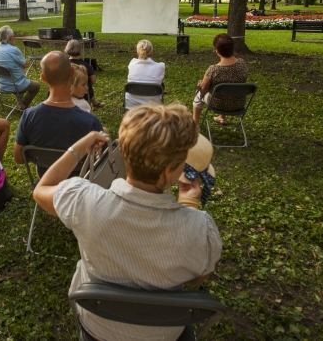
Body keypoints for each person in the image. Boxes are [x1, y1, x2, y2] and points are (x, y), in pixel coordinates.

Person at [33, 104, 222, 340]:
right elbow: (196, 278)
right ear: (169, 171)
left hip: (97, 328)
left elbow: (41, 190)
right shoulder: (200, 227)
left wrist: (80, 147)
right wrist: (189, 205)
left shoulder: (83, 200)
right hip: (164, 333)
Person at [13, 51, 103, 175]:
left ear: (44, 78)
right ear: (72, 73)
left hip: (45, 182)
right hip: (79, 185)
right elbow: (100, 160)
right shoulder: (90, 122)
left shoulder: (29, 116)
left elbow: (19, 158)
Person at [191, 33, 249, 125]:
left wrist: (201, 83)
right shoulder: (242, 64)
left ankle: (195, 124)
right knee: (227, 88)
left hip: (217, 104)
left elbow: (203, 88)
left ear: (217, 50)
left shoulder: (213, 70)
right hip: (238, 103)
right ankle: (222, 117)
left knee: (198, 95)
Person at [0, 25, 40, 110]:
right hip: (15, 84)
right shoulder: (14, 50)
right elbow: (26, 65)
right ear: (10, 38)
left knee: (15, 77)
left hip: (1, 83)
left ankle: (20, 104)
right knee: (36, 85)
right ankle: (24, 105)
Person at [125, 39, 165, 110]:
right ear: (152, 51)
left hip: (132, 104)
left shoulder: (132, 64)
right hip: (154, 106)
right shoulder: (160, 66)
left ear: (138, 51)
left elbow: (128, 81)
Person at [65, 39, 101, 110]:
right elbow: (93, 80)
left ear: (67, 49)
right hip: (84, 95)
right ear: (80, 49)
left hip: (66, 94)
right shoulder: (85, 65)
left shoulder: (63, 64)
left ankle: (95, 103)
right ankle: (94, 104)